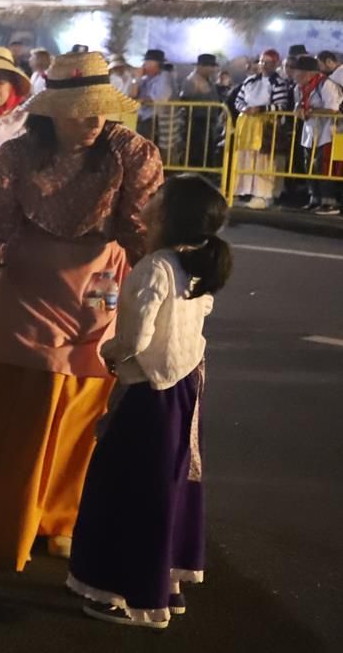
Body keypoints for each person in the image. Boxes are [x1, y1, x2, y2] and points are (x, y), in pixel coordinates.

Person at [0, 52, 163, 570]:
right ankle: (8, 510)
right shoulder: (16, 156)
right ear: (52, 112)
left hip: (100, 281)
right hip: (29, 284)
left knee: (85, 402)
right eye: (80, 109)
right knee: (17, 401)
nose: (93, 118)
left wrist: (158, 291)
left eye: (99, 107)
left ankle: (65, 514)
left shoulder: (130, 152)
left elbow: (141, 229)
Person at [69, 175, 228, 629]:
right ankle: (164, 581)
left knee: (127, 488)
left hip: (147, 391)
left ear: (166, 215)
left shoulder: (153, 266)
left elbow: (133, 339)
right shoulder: (193, 263)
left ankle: (123, 591)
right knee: (167, 482)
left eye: (157, 197)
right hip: (183, 386)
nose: (148, 199)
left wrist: (109, 353)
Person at [227, 48, 294, 208]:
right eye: (262, 61)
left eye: (268, 62)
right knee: (246, 157)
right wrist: (245, 108)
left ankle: (264, 194)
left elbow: (281, 105)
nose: (263, 65)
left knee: (264, 160)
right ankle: (245, 190)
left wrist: (261, 109)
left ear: (275, 64)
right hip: (247, 126)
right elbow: (238, 100)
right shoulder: (250, 81)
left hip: (267, 127)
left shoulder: (279, 83)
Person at [287, 51, 342, 213]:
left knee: (324, 166)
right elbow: (299, 104)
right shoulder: (299, 88)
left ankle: (329, 202)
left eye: (297, 71)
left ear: (308, 73)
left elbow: (333, 109)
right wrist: (298, 108)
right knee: (309, 165)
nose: (294, 75)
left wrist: (312, 111)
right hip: (309, 132)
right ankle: (314, 198)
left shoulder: (326, 85)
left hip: (327, 132)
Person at [133, 49, 175, 146]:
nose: (144, 65)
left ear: (157, 64)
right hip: (144, 118)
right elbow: (133, 94)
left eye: (148, 62)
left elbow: (161, 98)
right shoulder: (145, 78)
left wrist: (143, 100)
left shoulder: (165, 77)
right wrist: (136, 79)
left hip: (156, 120)